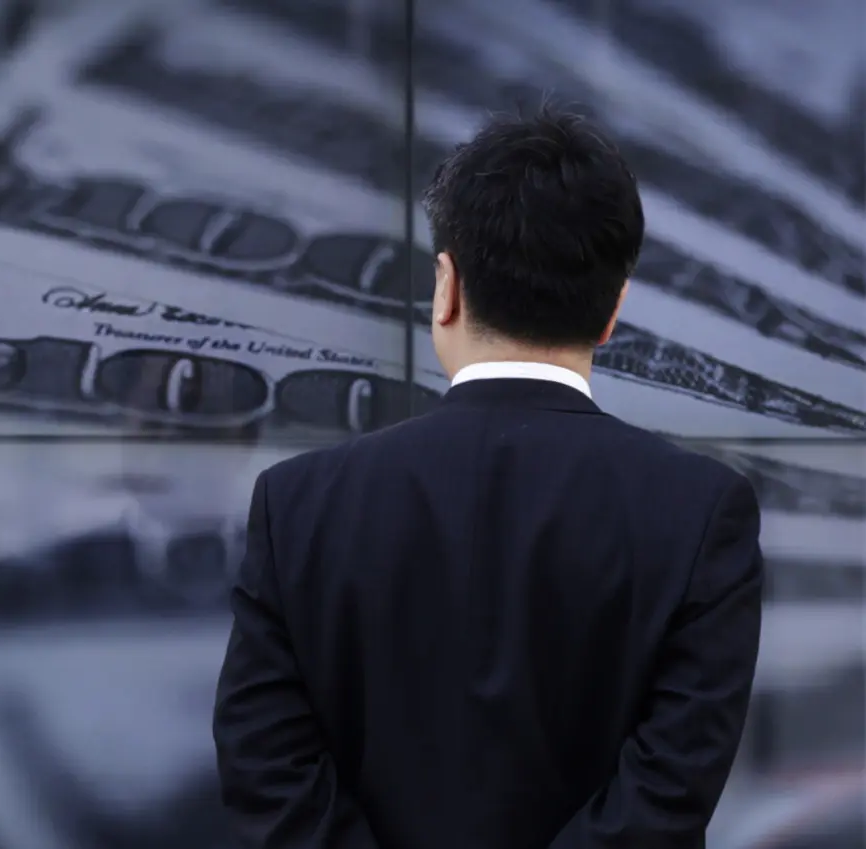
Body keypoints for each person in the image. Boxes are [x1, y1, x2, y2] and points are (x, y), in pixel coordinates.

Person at [212, 107, 764, 849]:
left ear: (447, 286)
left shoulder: (299, 503)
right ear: (613, 312)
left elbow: (267, 770)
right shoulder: (702, 514)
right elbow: (667, 794)